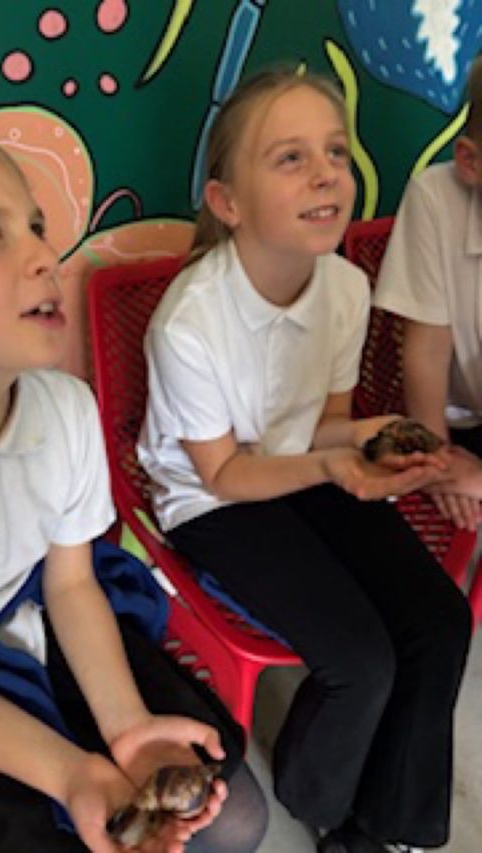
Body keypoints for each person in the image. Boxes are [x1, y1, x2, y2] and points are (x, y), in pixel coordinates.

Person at [0, 124, 269, 853]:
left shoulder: (65, 408)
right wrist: (73, 774)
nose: (45, 255)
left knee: (230, 814)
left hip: (46, 609)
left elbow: (71, 584)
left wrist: (127, 727)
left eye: (36, 226)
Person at [137, 68, 472, 853]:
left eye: (335, 152)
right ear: (227, 201)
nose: (326, 173)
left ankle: (387, 828)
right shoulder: (190, 322)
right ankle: (317, 799)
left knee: (440, 619)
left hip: (299, 467)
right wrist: (332, 466)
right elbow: (223, 473)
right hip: (213, 500)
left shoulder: (346, 289)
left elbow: (324, 427)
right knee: (360, 658)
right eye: (290, 158)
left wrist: (375, 438)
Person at [374, 56, 482, 531]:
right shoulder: (435, 197)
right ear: (470, 161)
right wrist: (438, 462)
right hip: (462, 422)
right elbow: (427, 350)